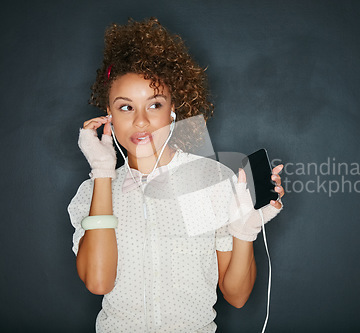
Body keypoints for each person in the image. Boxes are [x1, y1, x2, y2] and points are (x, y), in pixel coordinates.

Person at [67, 17, 285, 332]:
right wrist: (102, 172)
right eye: (126, 107)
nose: (141, 121)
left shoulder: (207, 181)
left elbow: (236, 296)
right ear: (109, 115)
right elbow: (99, 282)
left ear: (173, 110)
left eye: (153, 105)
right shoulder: (93, 193)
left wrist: (243, 233)